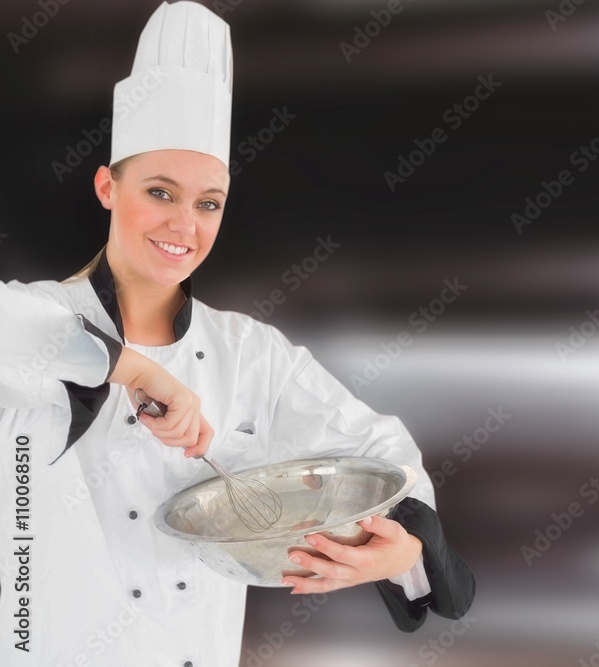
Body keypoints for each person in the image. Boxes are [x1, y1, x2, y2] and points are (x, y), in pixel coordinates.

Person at [0, 2, 474, 665]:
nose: (183, 225)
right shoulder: (31, 318)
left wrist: (407, 544)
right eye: (160, 192)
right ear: (107, 185)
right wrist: (133, 369)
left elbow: (378, 450)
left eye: (208, 202)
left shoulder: (250, 353)